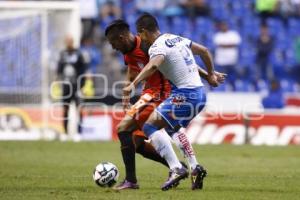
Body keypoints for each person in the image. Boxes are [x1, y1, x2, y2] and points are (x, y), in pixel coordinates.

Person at [105, 19, 225, 190]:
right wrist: (128, 88)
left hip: (162, 93)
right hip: (175, 93)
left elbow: (165, 63)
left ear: (123, 37)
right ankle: (189, 166)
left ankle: (142, 177)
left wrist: (208, 76)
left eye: (113, 43)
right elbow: (133, 68)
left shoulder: (150, 46)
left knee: (127, 128)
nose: (113, 47)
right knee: (138, 142)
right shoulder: (130, 51)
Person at [56, 35, 89, 140]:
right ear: (66, 42)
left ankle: (79, 133)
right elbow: (59, 70)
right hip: (66, 86)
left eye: (70, 41)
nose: (69, 43)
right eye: (67, 41)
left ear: (73, 42)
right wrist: (58, 81)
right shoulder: (62, 54)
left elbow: (84, 71)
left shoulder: (79, 54)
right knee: (65, 109)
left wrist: (82, 86)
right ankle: (65, 133)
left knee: (79, 109)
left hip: (77, 86)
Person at [213, 21, 241, 87]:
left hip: (232, 60)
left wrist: (224, 45)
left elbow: (235, 44)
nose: (224, 27)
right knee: (221, 77)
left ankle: (233, 87)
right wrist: (230, 45)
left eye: (225, 25)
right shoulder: (218, 35)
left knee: (232, 76)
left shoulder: (233, 34)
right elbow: (219, 45)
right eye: (222, 26)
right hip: (221, 60)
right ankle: (222, 88)